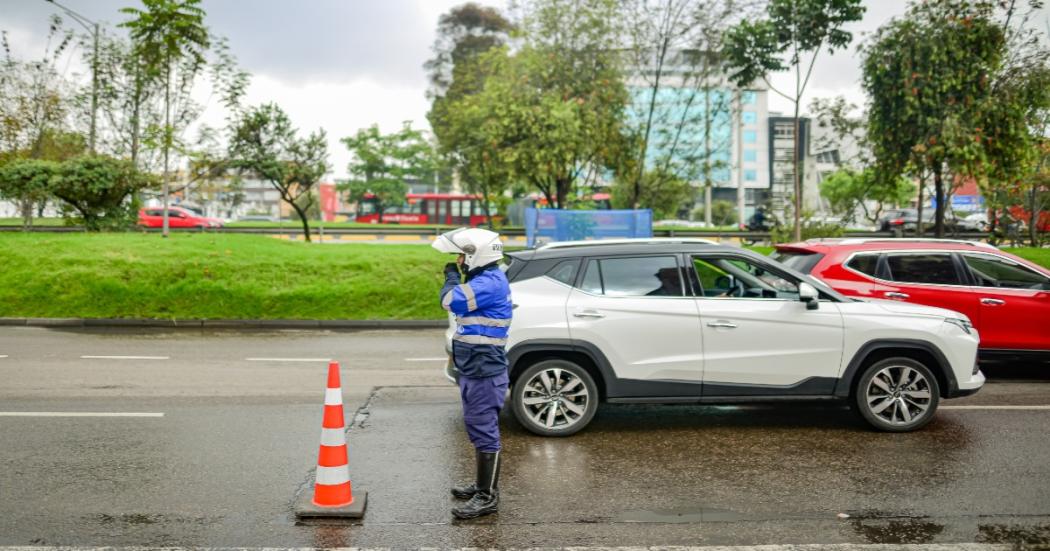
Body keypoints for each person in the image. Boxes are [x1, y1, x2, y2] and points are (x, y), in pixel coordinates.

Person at [432, 227, 513, 520]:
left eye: (462, 256)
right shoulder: (484, 278)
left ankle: (487, 497)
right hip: (474, 366)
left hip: (483, 369)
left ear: (476, 255)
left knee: (483, 428)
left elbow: (449, 300)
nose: (458, 261)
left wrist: (452, 279)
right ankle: (482, 485)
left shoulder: (489, 283)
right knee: (477, 426)